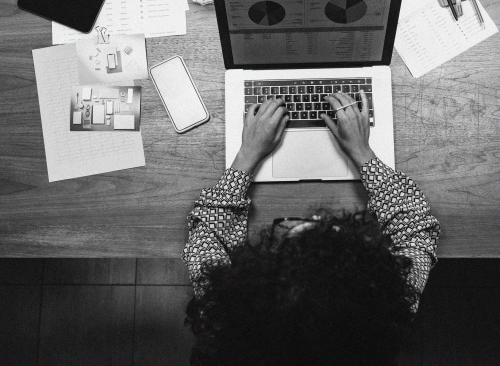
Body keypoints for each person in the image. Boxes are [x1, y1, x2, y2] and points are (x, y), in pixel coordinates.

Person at [182, 91, 440, 365]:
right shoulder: (385, 311)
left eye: (289, 236)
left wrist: (247, 155)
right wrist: (364, 155)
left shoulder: (225, 314)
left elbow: (206, 235)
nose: (314, 220)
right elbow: (415, 229)